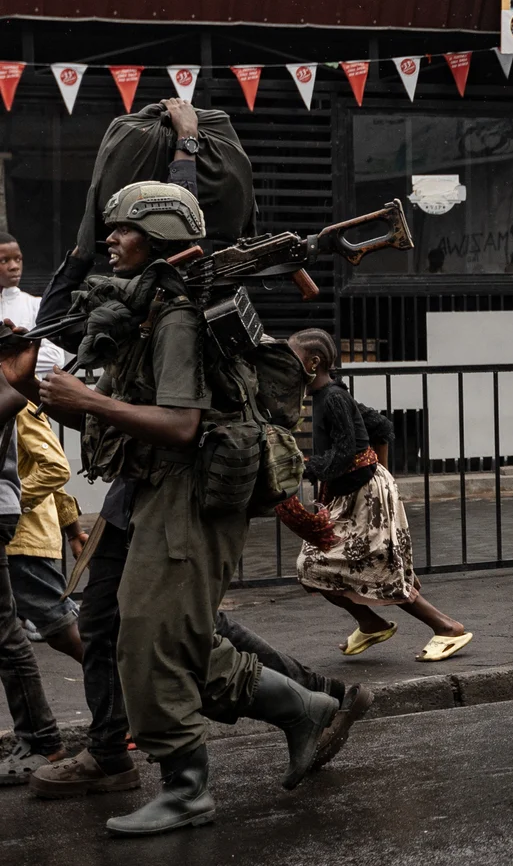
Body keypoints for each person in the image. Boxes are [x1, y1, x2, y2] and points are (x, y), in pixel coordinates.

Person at [26, 181, 340, 836]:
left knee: (151, 636)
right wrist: (56, 397)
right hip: (163, 491)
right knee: (166, 639)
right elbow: (128, 422)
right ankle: (303, 708)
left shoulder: (177, 317)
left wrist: (86, 403)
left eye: (123, 228)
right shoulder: (150, 312)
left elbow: (179, 424)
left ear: (162, 236)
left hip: (192, 493)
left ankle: (188, 787)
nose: (110, 239)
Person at [287, 328, 473, 661]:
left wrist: (302, 467)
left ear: (313, 362)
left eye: (291, 356)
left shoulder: (333, 398)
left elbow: (344, 454)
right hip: (356, 495)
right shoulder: (328, 395)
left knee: (377, 572)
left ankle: (447, 628)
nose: (285, 363)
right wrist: (381, 475)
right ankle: (371, 623)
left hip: (364, 500)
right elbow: (382, 426)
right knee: (315, 570)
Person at [0, 365, 68, 785]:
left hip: (21, 527)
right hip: (18, 521)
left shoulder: (14, 394)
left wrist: (19, 503)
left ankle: (43, 738)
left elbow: (55, 469)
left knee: (36, 628)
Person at [8, 401, 87, 664]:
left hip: (20, 541)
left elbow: (55, 469)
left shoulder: (17, 406)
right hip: (15, 538)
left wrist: (5, 502)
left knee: (62, 628)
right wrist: (73, 531)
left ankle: (120, 690)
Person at [0, 232, 66, 379]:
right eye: (4, 261)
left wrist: (11, 359)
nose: (14, 266)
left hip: (27, 399)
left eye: (18, 259)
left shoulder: (36, 305)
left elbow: (56, 357)